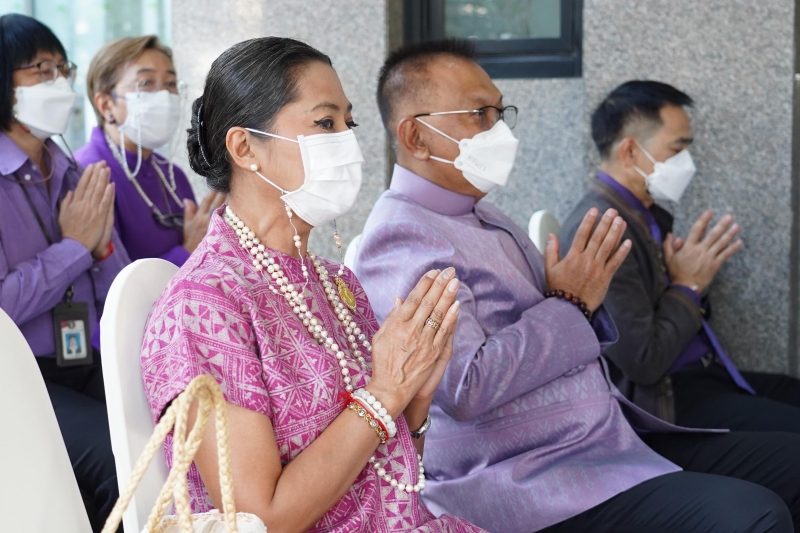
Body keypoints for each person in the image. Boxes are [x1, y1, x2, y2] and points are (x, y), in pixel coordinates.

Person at [355, 39, 800, 533]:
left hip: (601, 435)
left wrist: (567, 299)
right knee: (755, 514)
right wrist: (570, 302)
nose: (497, 130)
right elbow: (465, 386)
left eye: (501, 113)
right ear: (416, 137)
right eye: (479, 114)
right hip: (531, 474)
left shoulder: (482, 212)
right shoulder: (401, 236)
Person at [139, 36, 485, 533]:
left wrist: (415, 396)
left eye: (350, 122)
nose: (347, 140)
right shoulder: (203, 306)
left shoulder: (336, 283)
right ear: (244, 147)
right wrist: (386, 391)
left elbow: (385, 471)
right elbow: (262, 518)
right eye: (325, 122)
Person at [561, 80, 800, 433]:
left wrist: (684, 284)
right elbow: (644, 361)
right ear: (629, 152)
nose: (687, 164)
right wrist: (688, 285)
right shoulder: (603, 230)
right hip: (665, 402)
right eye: (677, 149)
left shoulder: (643, 215)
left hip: (701, 373)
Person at [0, 14, 130, 531]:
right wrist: (75, 246)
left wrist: (96, 252)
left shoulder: (73, 170)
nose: (59, 82)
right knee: (121, 466)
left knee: (166, 446)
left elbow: (114, 280)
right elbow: (3, 310)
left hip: (81, 357)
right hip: (18, 377)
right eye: (40, 70)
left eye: (62, 68)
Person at [75, 36, 224, 266]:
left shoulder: (172, 175)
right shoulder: (89, 175)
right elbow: (106, 284)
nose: (164, 96)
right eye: (146, 83)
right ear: (106, 105)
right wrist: (188, 251)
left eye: (171, 84)